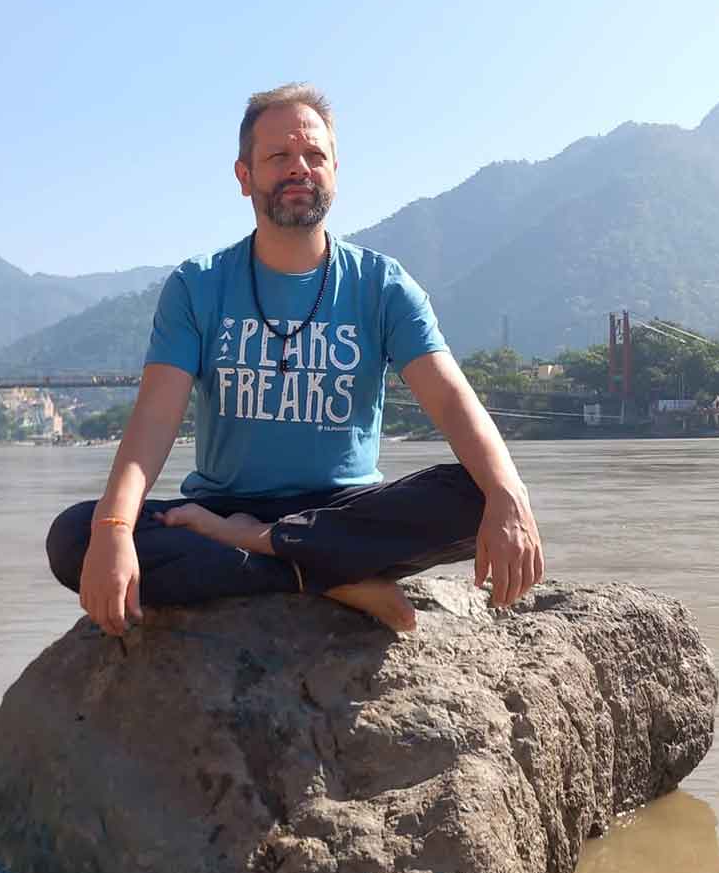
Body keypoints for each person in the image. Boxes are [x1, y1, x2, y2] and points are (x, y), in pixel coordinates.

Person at [47, 84, 544, 635]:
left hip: (344, 514)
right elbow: (155, 419)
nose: (298, 169)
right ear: (245, 176)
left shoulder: (383, 286)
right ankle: (327, 577)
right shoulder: (199, 285)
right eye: (278, 157)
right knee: (74, 535)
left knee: (479, 494)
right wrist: (114, 526)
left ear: (335, 170)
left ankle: (265, 553)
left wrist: (509, 495)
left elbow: (450, 398)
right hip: (223, 506)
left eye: (313, 156)